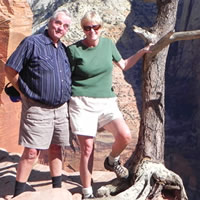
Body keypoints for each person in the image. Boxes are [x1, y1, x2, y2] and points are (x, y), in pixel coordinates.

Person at [66, 10, 152, 199]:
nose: (92, 31)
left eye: (95, 27)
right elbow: (65, 78)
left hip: (107, 101)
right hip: (81, 102)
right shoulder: (73, 50)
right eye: (87, 28)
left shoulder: (108, 45)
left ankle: (112, 161)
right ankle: (87, 192)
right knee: (88, 148)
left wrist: (142, 52)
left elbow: (123, 64)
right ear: (83, 29)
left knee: (125, 135)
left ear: (100, 28)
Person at [4, 8, 72, 197]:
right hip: (37, 107)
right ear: (50, 22)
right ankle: (19, 193)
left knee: (57, 148)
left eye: (65, 26)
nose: (60, 28)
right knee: (32, 151)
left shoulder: (63, 49)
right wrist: (23, 92)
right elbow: (10, 68)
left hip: (60, 109)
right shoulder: (32, 43)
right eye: (58, 23)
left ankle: (57, 190)